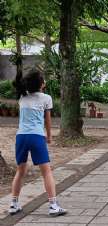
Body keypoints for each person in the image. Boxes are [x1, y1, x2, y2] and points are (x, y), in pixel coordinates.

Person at [9, 70, 67, 216]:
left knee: (20, 171)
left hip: (21, 137)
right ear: (41, 84)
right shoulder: (46, 98)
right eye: (44, 80)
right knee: (46, 171)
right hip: (36, 136)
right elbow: (47, 120)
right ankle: (53, 205)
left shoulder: (22, 97)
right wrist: (49, 136)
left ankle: (13, 204)